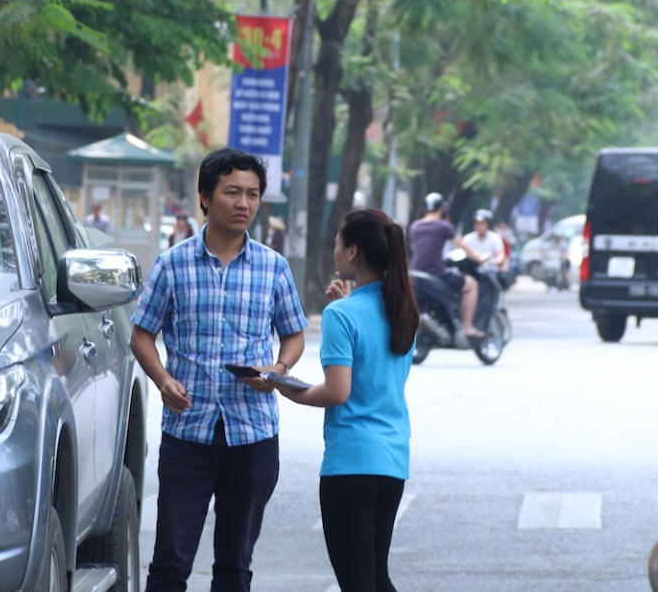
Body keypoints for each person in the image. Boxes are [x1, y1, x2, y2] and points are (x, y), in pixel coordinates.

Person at [130, 148, 308, 592]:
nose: (243, 203)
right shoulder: (172, 265)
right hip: (188, 433)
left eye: (252, 194)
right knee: (170, 561)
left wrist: (278, 368)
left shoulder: (273, 267)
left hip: (252, 436)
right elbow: (141, 335)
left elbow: (294, 335)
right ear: (205, 198)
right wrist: (163, 379)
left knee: (235, 565)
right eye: (232, 192)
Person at [274, 208, 420, 592]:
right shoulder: (403, 310)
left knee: (357, 583)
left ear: (353, 251)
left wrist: (282, 385)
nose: (335, 249)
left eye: (339, 242)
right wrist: (349, 302)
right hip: (392, 460)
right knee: (375, 576)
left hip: (351, 463)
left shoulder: (341, 315)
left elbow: (337, 392)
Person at [408, 193, 487, 338]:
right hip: (437, 272)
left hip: (416, 272)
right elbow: (462, 246)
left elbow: (415, 249)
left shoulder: (414, 226)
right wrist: (479, 258)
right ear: (442, 208)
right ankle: (468, 327)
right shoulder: (444, 226)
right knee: (472, 284)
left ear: (425, 208)